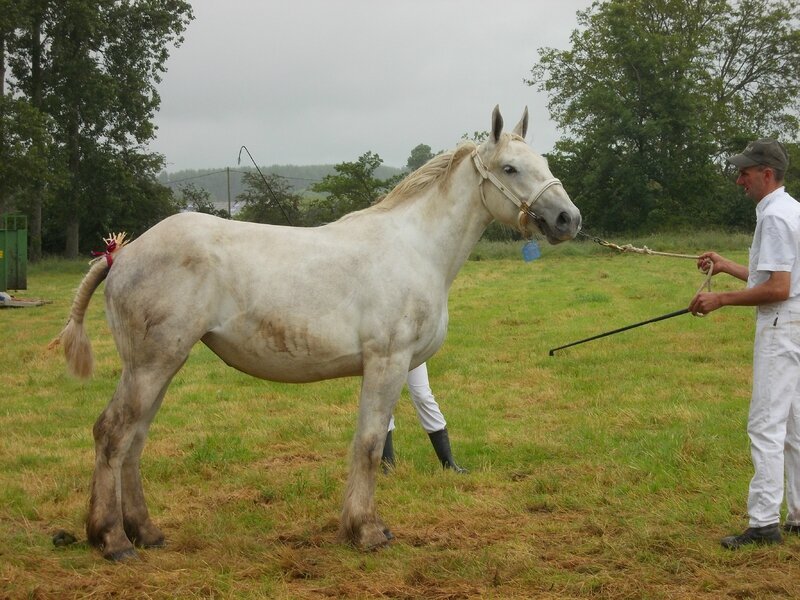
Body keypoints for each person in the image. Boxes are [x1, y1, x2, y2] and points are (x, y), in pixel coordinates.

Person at [689, 138, 800, 549]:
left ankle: (764, 523)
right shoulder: (792, 210)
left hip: (780, 327)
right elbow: (772, 277)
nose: (739, 180)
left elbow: (778, 288)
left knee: (766, 425)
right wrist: (725, 266)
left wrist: (720, 299)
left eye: (745, 173)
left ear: (767, 174)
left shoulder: (773, 218)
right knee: (794, 425)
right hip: (795, 326)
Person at [380, 362, 467, 474]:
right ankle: (388, 466)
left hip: (411, 347)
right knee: (383, 400)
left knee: (423, 396)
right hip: (381, 351)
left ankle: (449, 463)